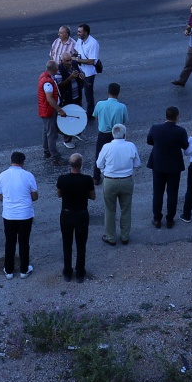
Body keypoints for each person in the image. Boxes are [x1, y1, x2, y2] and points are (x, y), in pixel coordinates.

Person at [96, 124, 140, 246]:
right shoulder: (131, 146)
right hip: (126, 180)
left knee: (109, 210)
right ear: (125, 134)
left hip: (110, 181)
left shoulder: (107, 147)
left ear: (113, 134)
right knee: (126, 209)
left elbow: (99, 164)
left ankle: (111, 237)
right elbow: (137, 163)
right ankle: (125, 236)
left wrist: (104, 172)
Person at [147, 106, 190, 229]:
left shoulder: (155, 128)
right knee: (172, 193)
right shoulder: (180, 131)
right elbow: (185, 146)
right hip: (174, 166)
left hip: (158, 165)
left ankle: (157, 219)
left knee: (158, 193)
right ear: (177, 117)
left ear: (166, 116)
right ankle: (170, 219)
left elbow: (149, 141)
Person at [55, 152, 95, 282]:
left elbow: (59, 194)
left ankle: (67, 271)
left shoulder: (62, 179)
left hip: (66, 214)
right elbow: (92, 196)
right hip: (81, 214)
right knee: (81, 244)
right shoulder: (87, 179)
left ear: (70, 164)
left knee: (67, 243)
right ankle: (80, 272)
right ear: (81, 164)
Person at [0, 152, 39, 278]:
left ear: (11, 160)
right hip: (25, 215)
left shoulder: (3, 175)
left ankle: (9, 270)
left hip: (9, 215)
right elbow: (35, 196)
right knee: (24, 242)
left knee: (9, 242)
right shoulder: (28, 175)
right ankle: (24, 270)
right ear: (23, 161)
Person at [91, 83, 128, 184]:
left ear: (108, 92)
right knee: (117, 154)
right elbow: (124, 120)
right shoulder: (122, 107)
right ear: (118, 93)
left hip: (103, 133)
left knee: (99, 155)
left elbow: (96, 117)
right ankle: (116, 174)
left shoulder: (100, 104)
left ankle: (96, 177)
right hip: (117, 134)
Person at [37, 61, 62, 161]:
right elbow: (49, 99)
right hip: (49, 110)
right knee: (52, 134)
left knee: (46, 131)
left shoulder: (44, 76)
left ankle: (46, 151)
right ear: (54, 69)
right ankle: (55, 156)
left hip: (44, 109)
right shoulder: (48, 82)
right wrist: (59, 109)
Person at [74, 24, 101, 113]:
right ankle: (79, 110)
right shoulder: (80, 40)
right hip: (80, 70)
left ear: (85, 33)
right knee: (78, 92)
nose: (78, 33)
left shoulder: (93, 43)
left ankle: (90, 113)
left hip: (88, 73)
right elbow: (76, 50)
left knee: (88, 94)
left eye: (80, 32)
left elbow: (92, 61)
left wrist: (77, 60)